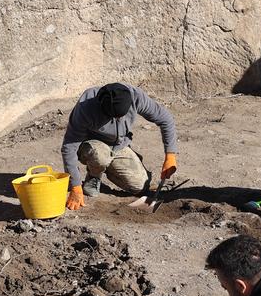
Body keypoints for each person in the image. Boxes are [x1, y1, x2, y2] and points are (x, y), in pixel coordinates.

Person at [61, 82, 179, 210]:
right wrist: (75, 186)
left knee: (139, 186)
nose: (119, 119)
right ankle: (94, 175)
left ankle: (124, 162)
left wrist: (170, 156)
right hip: (91, 146)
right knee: (100, 155)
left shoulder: (135, 96)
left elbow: (165, 119)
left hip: (118, 146)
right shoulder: (86, 107)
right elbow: (69, 146)